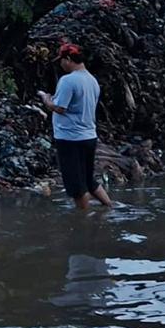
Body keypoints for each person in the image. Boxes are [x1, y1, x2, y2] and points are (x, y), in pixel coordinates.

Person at [37, 43, 114, 211]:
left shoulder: (68, 80)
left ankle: (83, 223)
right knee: (88, 179)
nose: (61, 65)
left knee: (76, 187)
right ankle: (109, 207)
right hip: (89, 137)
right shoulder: (92, 80)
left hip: (70, 139)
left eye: (62, 61)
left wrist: (46, 100)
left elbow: (60, 107)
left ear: (68, 59)